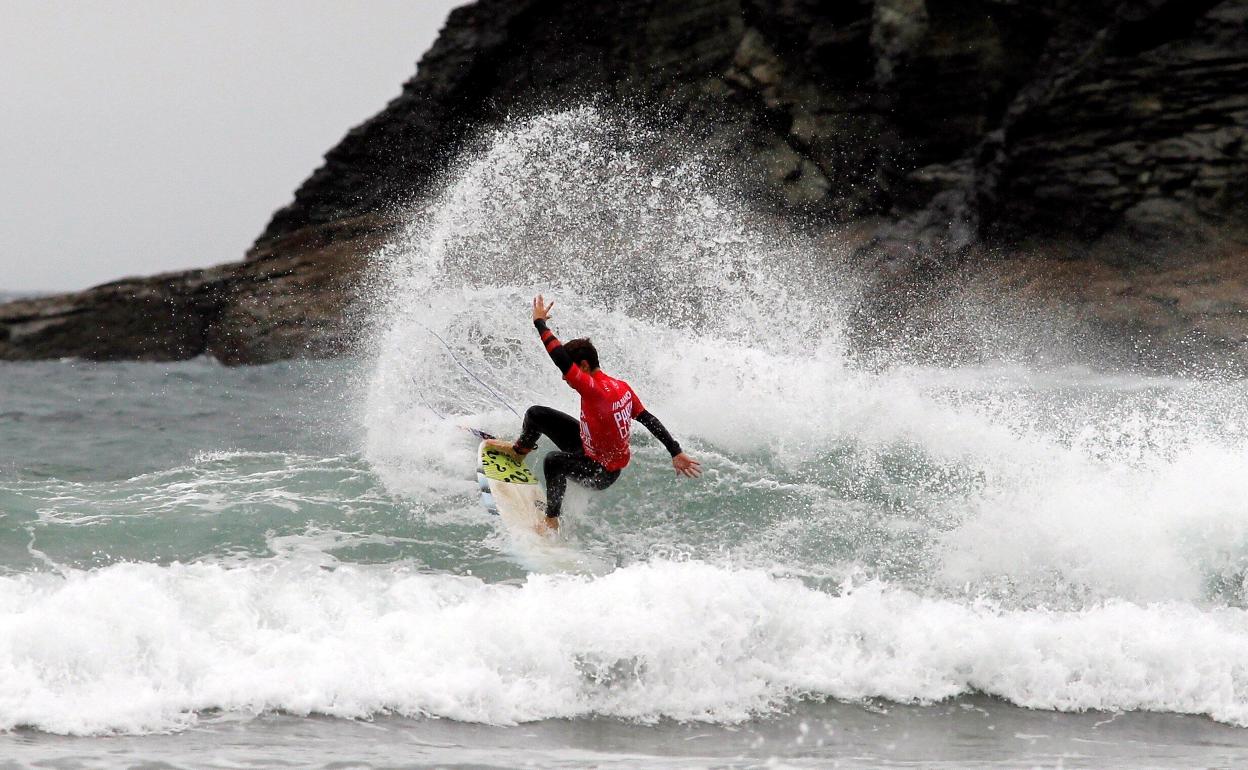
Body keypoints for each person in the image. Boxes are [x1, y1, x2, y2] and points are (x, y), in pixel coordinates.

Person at [487, 295, 701, 531]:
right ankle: (519, 452)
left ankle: (551, 521)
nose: (564, 377)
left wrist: (540, 324)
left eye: (571, 371)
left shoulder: (593, 390)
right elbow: (649, 420)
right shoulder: (621, 387)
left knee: (553, 462)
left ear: (585, 366)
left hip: (600, 472)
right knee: (536, 414)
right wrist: (675, 451)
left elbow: (559, 359)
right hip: (588, 447)